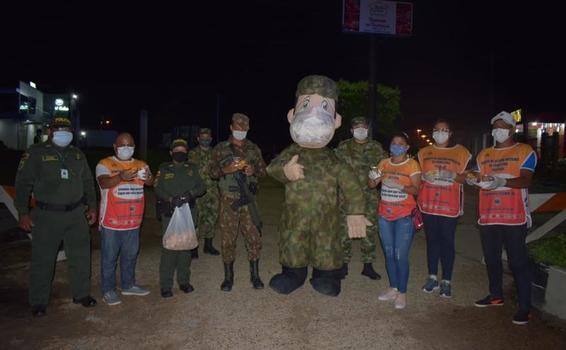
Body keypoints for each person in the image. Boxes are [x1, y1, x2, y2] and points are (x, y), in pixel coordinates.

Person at [267, 75, 371, 297]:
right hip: (295, 216)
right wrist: (285, 171)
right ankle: (293, 274)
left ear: (336, 121)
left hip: (327, 219)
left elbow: (352, 186)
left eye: (324, 108)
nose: (313, 115)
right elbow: (272, 168)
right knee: (294, 244)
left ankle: (325, 277)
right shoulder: (291, 153)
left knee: (326, 247)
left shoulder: (333, 160)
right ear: (292, 115)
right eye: (306, 105)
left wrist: (355, 213)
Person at [15, 117, 98, 317]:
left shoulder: (77, 154)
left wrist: (92, 207)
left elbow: (88, 182)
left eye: (67, 129)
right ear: (50, 131)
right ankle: (38, 302)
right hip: (46, 215)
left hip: (76, 214)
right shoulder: (36, 153)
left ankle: (81, 294)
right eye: (59, 128)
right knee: (43, 260)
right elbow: (23, 183)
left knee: (81, 257)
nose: (64, 132)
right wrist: (23, 213)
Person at [468, 111, 536, 325]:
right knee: (492, 258)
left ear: (512, 129)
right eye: (495, 126)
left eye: (502, 126)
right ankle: (495, 295)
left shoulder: (525, 151)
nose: (498, 130)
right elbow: (476, 175)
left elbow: (525, 180)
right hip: (488, 216)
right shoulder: (484, 154)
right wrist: (472, 179)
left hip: (514, 216)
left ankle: (525, 307)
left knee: (517, 261)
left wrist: (501, 182)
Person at [209, 113, 266, 291]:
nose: (240, 131)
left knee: (254, 237)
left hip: (248, 199)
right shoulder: (220, 148)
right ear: (231, 127)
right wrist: (225, 169)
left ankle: (255, 276)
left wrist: (253, 170)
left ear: (248, 129)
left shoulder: (253, 149)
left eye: (244, 128)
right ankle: (228, 278)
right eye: (237, 127)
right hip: (228, 200)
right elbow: (211, 172)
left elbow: (264, 171)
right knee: (228, 239)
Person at [95, 132, 153, 305]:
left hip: (134, 222)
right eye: (122, 145)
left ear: (134, 147)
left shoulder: (141, 164)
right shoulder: (104, 163)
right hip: (112, 222)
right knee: (109, 257)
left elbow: (150, 183)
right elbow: (103, 183)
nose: (126, 148)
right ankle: (108, 290)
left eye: (130, 145)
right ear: (115, 146)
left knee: (130, 255)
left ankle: (128, 285)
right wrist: (120, 176)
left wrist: (149, 177)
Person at [417, 120, 471, 298]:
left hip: (450, 205)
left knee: (447, 242)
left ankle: (446, 280)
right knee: (432, 241)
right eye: (437, 130)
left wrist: (453, 176)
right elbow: (418, 177)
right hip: (429, 204)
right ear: (432, 132)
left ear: (450, 133)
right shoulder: (424, 152)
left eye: (444, 130)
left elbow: (466, 178)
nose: (440, 133)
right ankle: (432, 277)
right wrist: (424, 176)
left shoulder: (461, 152)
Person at [369, 132, 421, 309]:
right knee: (389, 253)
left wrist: (399, 186)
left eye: (401, 143)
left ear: (407, 147)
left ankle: (402, 293)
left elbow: (416, 190)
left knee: (400, 255)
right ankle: (393, 287)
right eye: (393, 142)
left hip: (404, 216)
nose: (397, 145)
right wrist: (372, 176)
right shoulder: (383, 163)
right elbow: (372, 185)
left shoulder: (412, 164)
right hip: (384, 214)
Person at [334, 116, 386, 280]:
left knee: (369, 230)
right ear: (351, 130)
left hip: (369, 196)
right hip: (346, 197)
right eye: (356, 127)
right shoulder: (343, 148)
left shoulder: (376, 148)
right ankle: (343, 265)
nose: (360, 130)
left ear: (368, 129)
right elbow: (334, 168)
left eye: (363, 127)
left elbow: (385, 167)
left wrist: (380, 177)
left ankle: (368, 266)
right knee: (344, 230)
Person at [154, 139, 206, 298]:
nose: (180, 153)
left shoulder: (192, 168)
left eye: (183, 150)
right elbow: (157, 187)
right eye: (177, 150)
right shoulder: (164, 168)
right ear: (171, 153)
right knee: (169, 249)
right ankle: (166, 285)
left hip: (188, 213)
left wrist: (191, 194)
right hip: (170, 214)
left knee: (185, 249)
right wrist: (170, 199)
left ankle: (184, 281)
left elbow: (202, 187)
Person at [188, 127, 220, 257]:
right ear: (198, 139)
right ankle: (194, 248)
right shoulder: (193, 154)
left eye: (207, 139)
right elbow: (193, 171)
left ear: (211, 139)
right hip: (198, 192)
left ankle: (208, 245)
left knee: (212, 218)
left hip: (213, 191)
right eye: (203, 138)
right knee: (196, 219)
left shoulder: (215, 153)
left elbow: (219, 170)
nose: (205, 141)